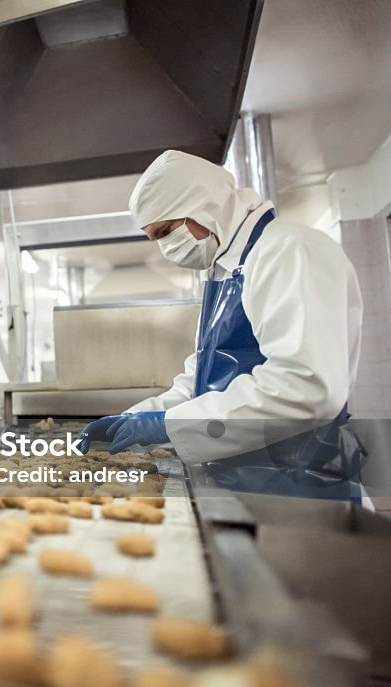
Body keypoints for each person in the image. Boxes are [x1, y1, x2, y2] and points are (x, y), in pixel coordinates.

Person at [78, 150, 364, 498]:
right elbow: (200, 382)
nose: (166, 248)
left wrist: (168, 426)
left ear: (203, 205)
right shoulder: (227, 272)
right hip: (247, 482)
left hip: (301, 486)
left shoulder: (289, 251)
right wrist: (137, 417)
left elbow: (304, 387)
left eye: (166, 231)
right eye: (155, 238)